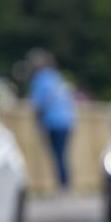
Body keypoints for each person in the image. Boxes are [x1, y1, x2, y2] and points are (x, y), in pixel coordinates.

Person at [26, 49, 77, 191]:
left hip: (53, 122)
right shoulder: (56, 77)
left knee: (57, 155)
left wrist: (37, 122)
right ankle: (65, 183)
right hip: (67, 120)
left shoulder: (40, 79)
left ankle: (62, 185)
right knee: (63, 154)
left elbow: (39, 104)